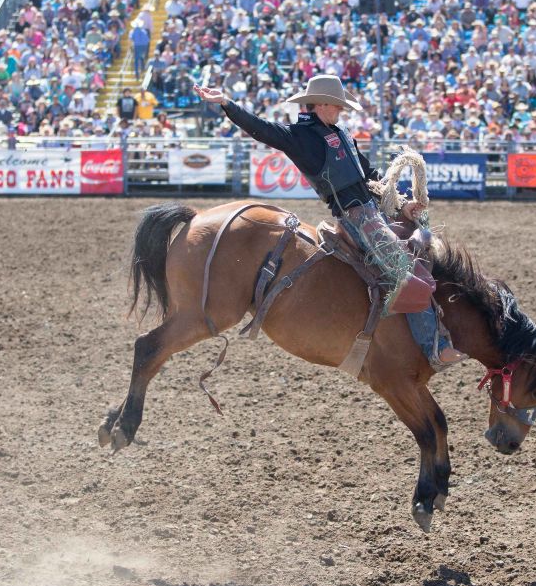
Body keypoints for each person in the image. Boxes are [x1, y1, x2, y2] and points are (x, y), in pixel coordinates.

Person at [195, 74, 466, 370]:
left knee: (423, 246)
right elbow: (261, 129)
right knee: (402, 266)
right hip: (356, 216)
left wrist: (402, 205)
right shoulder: (300, 137)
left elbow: (369, 173)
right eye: (337, 106)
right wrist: (226, 103)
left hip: (373, 209)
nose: (341, 111)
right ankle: (433, 345)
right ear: (323, 104)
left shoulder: (340, 133)